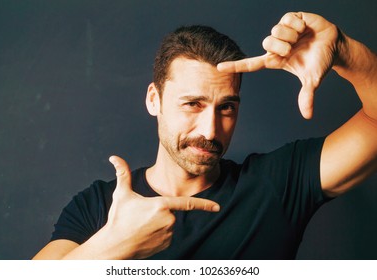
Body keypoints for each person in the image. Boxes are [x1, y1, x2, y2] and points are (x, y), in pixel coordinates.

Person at [33, 11, 377, 260]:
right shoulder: (98, 207)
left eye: (226, 108)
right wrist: (111, 249)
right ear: (154, 99)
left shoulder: (276, 184)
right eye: (193, 104)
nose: (211, 131)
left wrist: (347, 53)